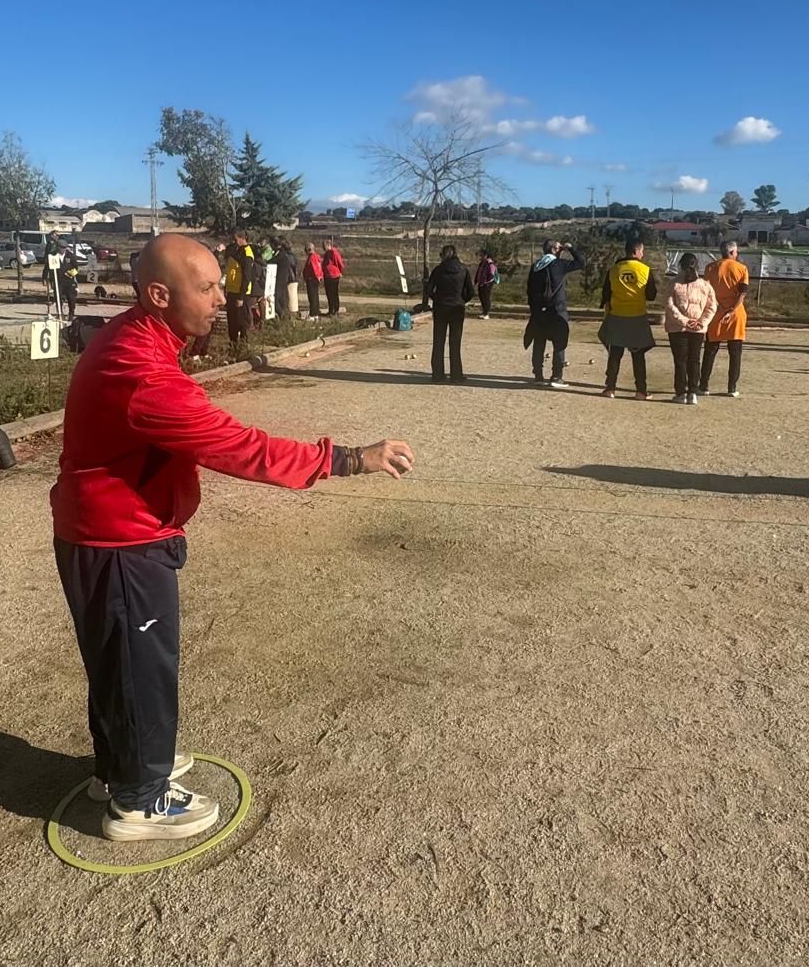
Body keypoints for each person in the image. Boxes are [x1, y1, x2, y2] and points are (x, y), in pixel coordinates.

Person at [51, 233, 414, 840]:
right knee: (141, 666)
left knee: (118, 661)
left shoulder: (134, 336)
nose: (222, 298)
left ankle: (122, 769)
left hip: (102, 530)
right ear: (159, 294)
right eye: (208, 288)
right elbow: (239, 447)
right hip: (121, 541)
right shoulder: (144, 374)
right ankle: (140, 799)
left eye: (220, 284)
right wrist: (350, 458)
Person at [598, 235, 657, 399]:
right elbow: (651, 295)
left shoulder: (613, 270)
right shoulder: (646, 270)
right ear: (636, 251)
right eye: (642, 251)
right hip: (637, 316)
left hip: (617, 316)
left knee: (615, 354)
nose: (643, 254)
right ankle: (641, 391)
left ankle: (610, 388)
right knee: (638, 355)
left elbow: (606, 294)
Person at [525, 240, 583, 387]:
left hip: (539, 311)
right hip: (556, 310)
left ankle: (538, 375)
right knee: (559, 343)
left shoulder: (536, 266)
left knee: (539, 342)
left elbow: (529, 289)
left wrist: (534, 309)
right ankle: (556, 376)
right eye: (558, 247)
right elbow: (581, 262)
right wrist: (571, 249)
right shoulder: (558, 264)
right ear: (553, 249)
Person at [664, 253, 717, 404]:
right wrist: (701, 322)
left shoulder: (673, 284)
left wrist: (685, 321)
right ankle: (693, 391)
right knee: (694, 360)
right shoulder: (705, 285)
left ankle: (681, 392)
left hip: (677, 328)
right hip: (697, 329)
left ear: (680, 265)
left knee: (680, 360)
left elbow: (669, 306)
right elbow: (712, 307)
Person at [701, 241, 750, 397]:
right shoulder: (742, 268)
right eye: (736, 251)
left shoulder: (710, 267)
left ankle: (703, 386)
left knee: (710, 350)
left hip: (716, 312)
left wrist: (718, 306)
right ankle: (732, 388)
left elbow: (706, 291)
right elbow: (742, 293)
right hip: (735, 314)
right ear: (732, 252)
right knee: (735, 352)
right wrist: (732, 309)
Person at [423, 244, 474, 384]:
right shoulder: (463, 269)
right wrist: (462, 300)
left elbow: (429, 289)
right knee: (455, 342)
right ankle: (456, 375)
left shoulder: (438, 270)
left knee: (438, 341)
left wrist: (436, 299)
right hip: (457, 309)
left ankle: (437, 374)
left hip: (440, 308)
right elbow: (471, 292)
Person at [223, 234, 257, 348]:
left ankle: (243, 344)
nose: (234, 241)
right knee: (232, 321)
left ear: (242, 238)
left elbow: (247, 277)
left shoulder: (247, 254)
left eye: (235, 239)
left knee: (242, 321)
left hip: (241, 293)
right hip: (232, 291)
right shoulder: (237, 250)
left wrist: (241, 297)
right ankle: (233, 344)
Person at [272, 239, 298, 321]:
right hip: (284, 280)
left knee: (276, 300)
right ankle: (285, 316)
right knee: (283, 299)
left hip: (281, 280)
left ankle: (283, 315)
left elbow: (271, 261)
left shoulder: (281, 255)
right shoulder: (285, 255)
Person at [322, 238, 345, 316]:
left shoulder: (334, 252)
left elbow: (340, 263)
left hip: (334, 275)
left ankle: (335, 310)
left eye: (324, 246)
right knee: (328, 294)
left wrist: (340, 272)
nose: (323, 247)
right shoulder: (326, 254)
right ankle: (331, 309)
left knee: (333, 293)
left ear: (328, 245)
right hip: (327, 275)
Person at [303, 241, 324, 319]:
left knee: (312, 297)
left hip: (312, 279)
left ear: (309, 249)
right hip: (313, 279)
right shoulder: (316, 256)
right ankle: (315, 313)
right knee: (314, 296)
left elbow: (315, 268)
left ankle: (313, 314)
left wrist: (317, 276)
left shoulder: (312, 257)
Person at [475, 250, 498, 319]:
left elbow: (491, 274)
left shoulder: (490, 264)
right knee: (482, 297)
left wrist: (486, 282)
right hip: (481, 283)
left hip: (487, 284)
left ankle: (486, 313)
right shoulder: (481, 263)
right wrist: (476, 280)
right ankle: (483, 312)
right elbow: (478, 272)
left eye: (482, 255)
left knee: (486, 298)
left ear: (486, 255)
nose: (481, 257)